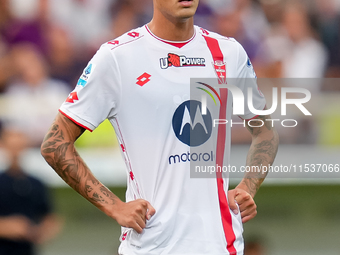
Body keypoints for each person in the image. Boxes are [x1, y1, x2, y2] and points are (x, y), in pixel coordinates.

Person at [41, 0, 279, 254]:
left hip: (220, 245)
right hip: (151, 246)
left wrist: (248, 186)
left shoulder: (229, 53)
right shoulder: (117, 57)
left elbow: (265, 131)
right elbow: (55, 144)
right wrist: (114, 205)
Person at [0, 129, 61, 255]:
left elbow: (50, 217)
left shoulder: (36, 183)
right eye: (12, 146)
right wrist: (7, 227)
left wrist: (40, 231)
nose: (16, 152)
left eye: (19, 147)